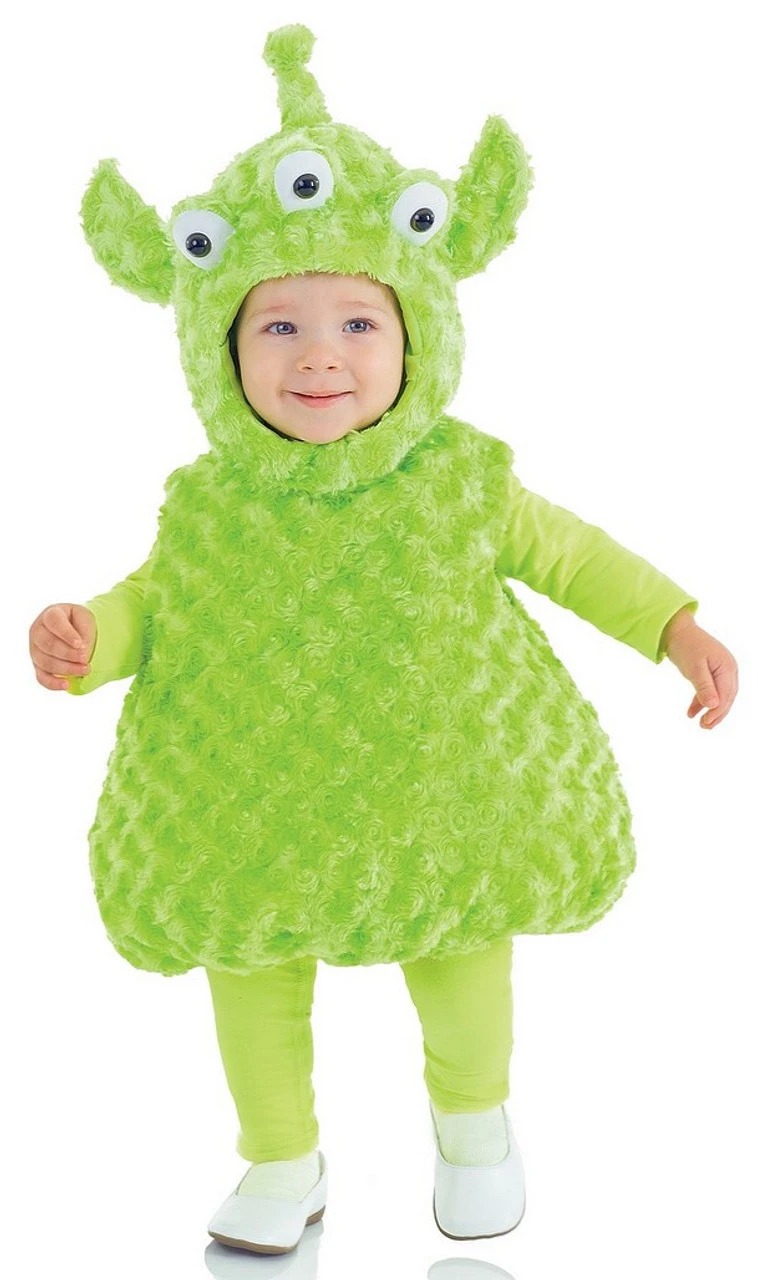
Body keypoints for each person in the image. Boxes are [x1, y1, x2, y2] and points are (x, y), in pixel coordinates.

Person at [28, 24, 738, 1256]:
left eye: (358, 322)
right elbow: (157, 600)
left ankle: (474, 1127)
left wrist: (669, 624)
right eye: (276, 327)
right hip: (247, 798)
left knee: (462, 948)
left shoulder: (458, 475)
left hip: (439, 785)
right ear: (216, 348)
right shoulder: (208, 504)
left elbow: (568, 553)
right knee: (246, 960)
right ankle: (279, 1156)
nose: (319, 354)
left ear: (417, 332)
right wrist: (92, 639)